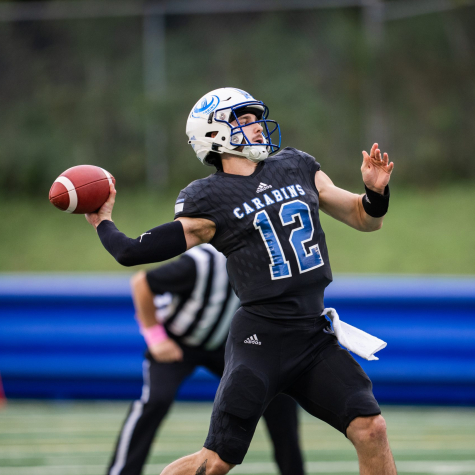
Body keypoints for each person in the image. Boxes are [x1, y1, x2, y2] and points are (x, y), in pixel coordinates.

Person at [86, 87, 396, 475]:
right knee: (216, 461)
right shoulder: (208, 197)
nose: (258, 127)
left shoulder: (296, 165)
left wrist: (375, 192)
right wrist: (103, 222)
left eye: (254, 118)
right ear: (214, 134)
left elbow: (364, 218)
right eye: (244, 121)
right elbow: (132, 252)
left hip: (313, 333)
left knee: (372, 428)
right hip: (261, 339)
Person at [107, 245, 305, 475]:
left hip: (224, 343)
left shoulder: (271, 264)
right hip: (178, 340)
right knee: (155, 400)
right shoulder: (202, 262)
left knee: (278, 396)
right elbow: (141, 283)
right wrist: (155, 337)